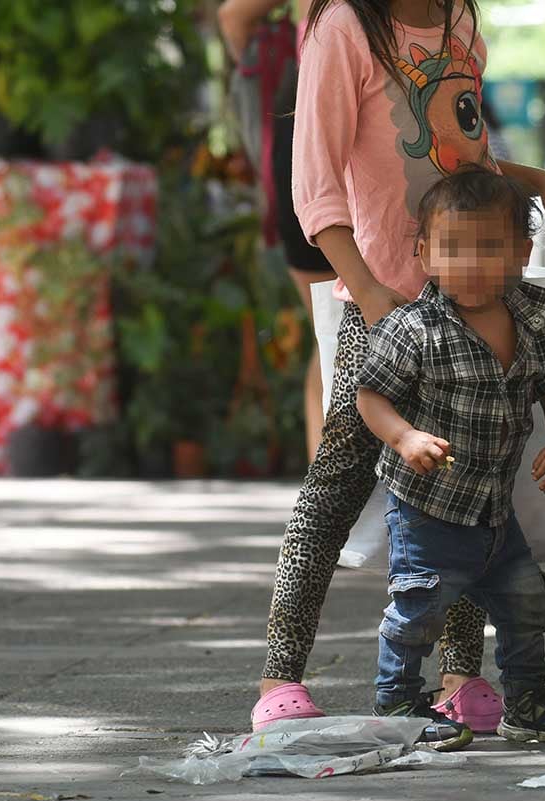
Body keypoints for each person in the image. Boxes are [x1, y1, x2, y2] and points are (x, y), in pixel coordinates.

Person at [252, 0, 545, 734]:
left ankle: (462, 677)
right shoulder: (344, 28)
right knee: (334, 488)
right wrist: (371, 293)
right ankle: (280, 676)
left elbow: (464, 159)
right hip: (377, 305)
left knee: (472, 488)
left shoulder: (459, 28)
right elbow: (315, 183)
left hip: (466, 298)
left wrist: (530, 178)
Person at [357, 168, 545, 747]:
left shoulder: (530, 324)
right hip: (427, 510)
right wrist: (405, 437)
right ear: (425, 254)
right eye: (453, 248)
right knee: (419, 608)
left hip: (494, 512)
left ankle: (528, 697)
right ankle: (399, 702)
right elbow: (371, 395)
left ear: (521, 251)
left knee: (525, 599)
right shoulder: (415, 328)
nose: (472, 263)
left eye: (490, 247)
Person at [219, 0, 336, 464]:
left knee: (332, 335)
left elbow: (234, 19)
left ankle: (324, 496)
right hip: (320, 146)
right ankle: (328, 496)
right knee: (337, 334)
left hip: (303, 133)